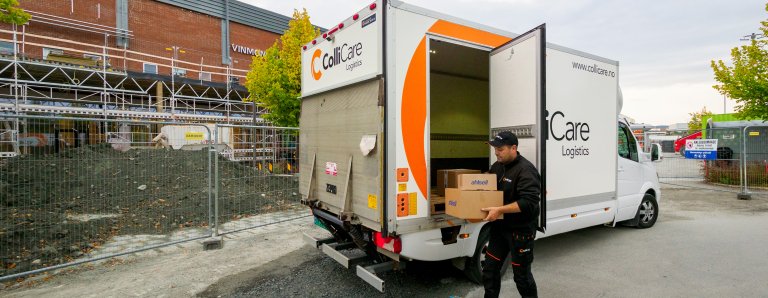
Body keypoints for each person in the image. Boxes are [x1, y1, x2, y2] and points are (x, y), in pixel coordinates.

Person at [481, 131, 541, 298]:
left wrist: (499, 210)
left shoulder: (526, 170)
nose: (496, 152)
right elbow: (489, 182)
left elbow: (528, 203)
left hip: (520, 232)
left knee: (521, 277)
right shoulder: (497, 166)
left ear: (513, 148)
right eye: (495, 148)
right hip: (499, 228)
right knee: (490, 270)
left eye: (500, 149)